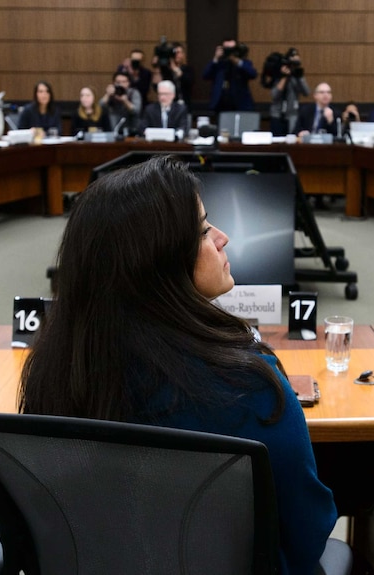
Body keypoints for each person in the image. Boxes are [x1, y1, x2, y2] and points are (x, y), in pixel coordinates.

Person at [19, 155, 338, 574]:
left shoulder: (56, 367)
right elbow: (307, 533)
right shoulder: (248, 384)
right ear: (161, 262)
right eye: (204, 230)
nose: (222, 238)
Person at [202, 39, 258, 113]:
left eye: (231, 49)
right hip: (221, 104)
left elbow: (253, 74)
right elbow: (205, 75)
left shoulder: (243, 63)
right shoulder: (218, 64)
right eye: (226, 49)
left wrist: (237, 61)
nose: (229, 52)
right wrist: (215, 58)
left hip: (240, 104)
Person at [265, 48, 310, 136]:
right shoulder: (278, 75)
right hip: (277, 114)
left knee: (292, 140)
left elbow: (306, 92)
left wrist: (298, 76)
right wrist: (284, 76)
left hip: (292, 114)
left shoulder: (297, 75)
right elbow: (275, 95)